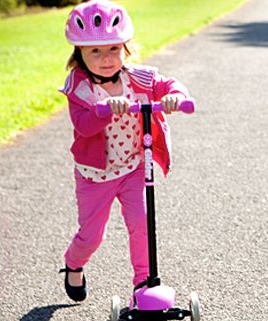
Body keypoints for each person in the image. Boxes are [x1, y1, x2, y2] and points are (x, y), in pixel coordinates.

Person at [58, 0, 189, 302]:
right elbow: (83, 126)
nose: (106, 58)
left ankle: (143, 284)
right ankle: (73, 263)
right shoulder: (79, 88)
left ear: (125, 48)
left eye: (113, 49)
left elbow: (167, 84)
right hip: (95, 176)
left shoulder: (136, 78)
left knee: (142, 223)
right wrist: (103, 109)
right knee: (91, 236)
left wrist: (176, 95)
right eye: (95, 51)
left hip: (133, 167)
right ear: (79, 54)